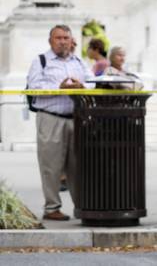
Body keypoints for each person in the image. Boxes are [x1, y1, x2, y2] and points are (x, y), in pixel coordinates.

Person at [26, 24, 92, 221]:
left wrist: (83, 86)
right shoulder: (41, 61)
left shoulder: (79, 61)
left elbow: (92, 82)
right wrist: (59, 87)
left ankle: (82, 206)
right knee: (51, 166)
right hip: (50, 119)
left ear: (71, 41)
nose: (63, 41)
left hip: (76, 120)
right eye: (58, 38)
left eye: (66, 38)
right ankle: (52, 208)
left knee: (78, 166)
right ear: (50, 41)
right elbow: (34, 87)